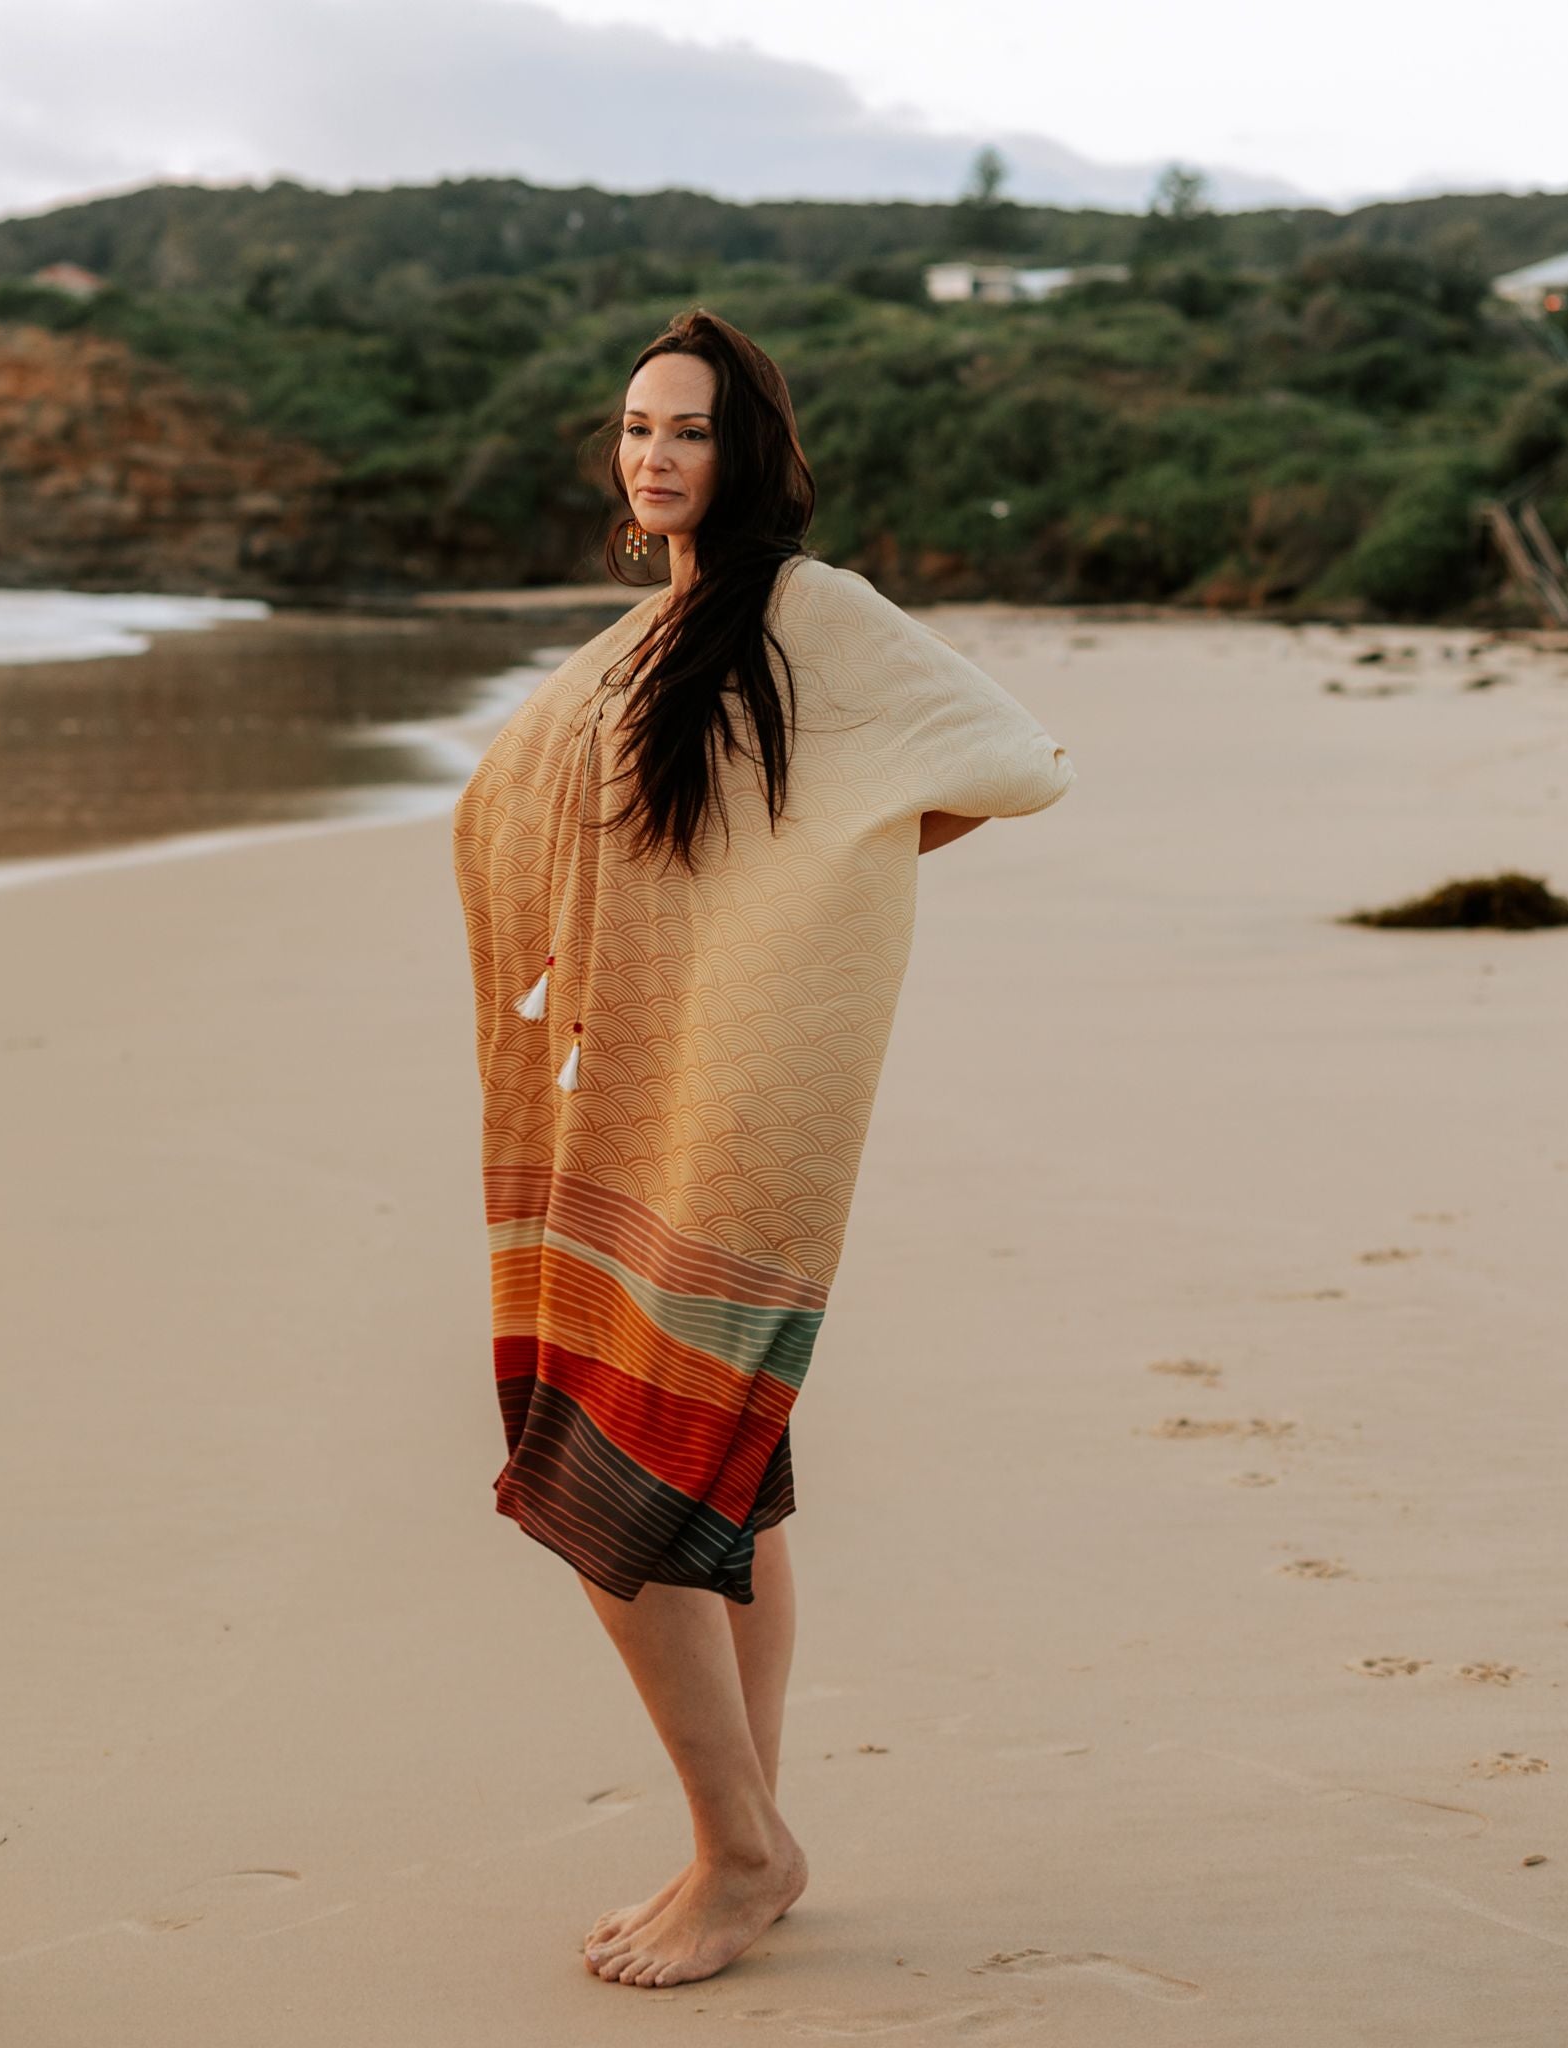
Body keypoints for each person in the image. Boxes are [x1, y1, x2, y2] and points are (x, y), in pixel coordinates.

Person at [449, 307, 1074, 1990]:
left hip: (722, 1118)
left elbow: (1005, 761)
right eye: (637, 427)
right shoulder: (648, 633)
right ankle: (751, 1840)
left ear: (754, 449)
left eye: (690, 430)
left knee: (615, 1491)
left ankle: (739, 1847)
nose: (654, 454)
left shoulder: (812, 609)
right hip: (624, 1102)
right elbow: (512, 805)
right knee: (726, 1493)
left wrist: (827, 874)